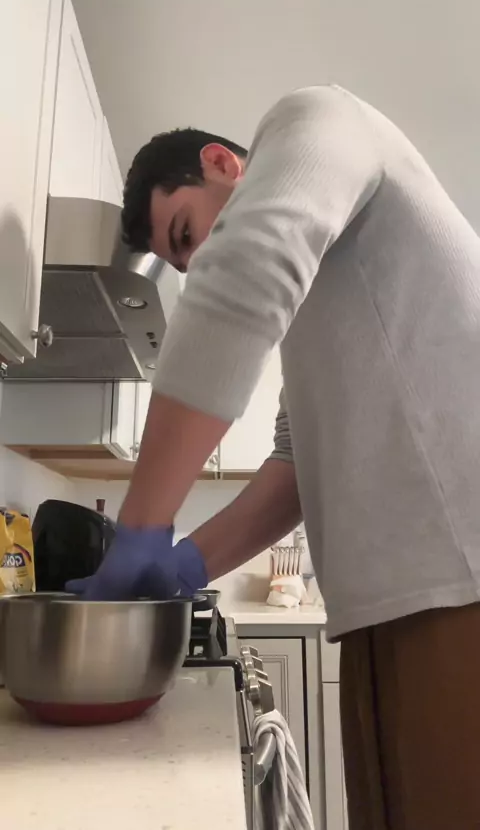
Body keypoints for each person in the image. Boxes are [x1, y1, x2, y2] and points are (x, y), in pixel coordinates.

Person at [68, 86, 480, 829]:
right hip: (391, 607)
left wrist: (142, 524)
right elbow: (296, 465)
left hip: (459, 583)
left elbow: (247, 267)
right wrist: (185, 565)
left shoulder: (316, 116)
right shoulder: (318, 309)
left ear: (223, 164)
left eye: (186, 233)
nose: (198, 263)